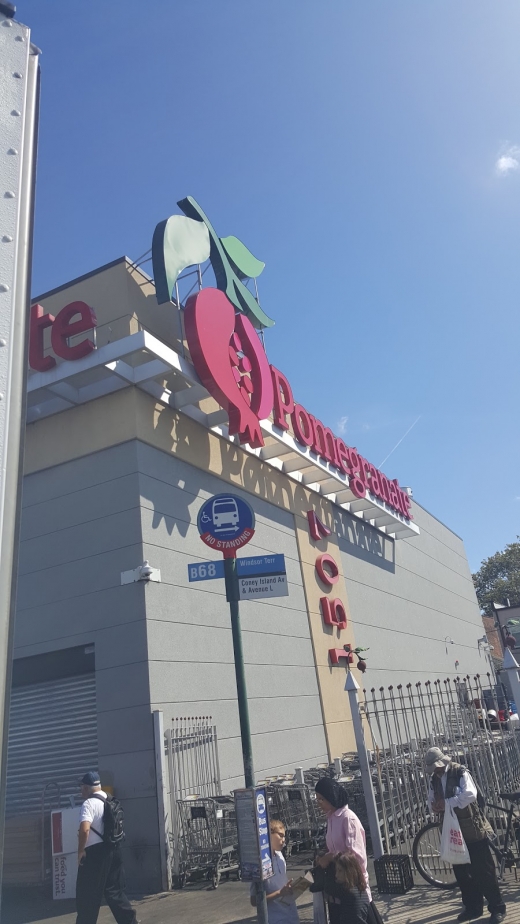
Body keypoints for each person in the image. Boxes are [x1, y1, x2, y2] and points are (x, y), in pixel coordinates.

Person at [425, 747, 506, 924]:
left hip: (472, 829)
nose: (436, 772)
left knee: (484, 871)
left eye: (437, 768)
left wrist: (446, 803)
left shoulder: (459, 771)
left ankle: (497, 907)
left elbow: (470, 794)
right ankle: (473, 908)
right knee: (463, 874)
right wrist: (435, 805)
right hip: (453, 832)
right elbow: (430, 800)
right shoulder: (434, 780)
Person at [314, 778, 383, 924]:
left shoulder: (348, 818)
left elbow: (356, 856)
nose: (319, 803)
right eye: (317, 799)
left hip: (353, 886)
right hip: (338, 884)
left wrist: (330, 857)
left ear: (331, 797)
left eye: (322, 799)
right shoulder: (331, 817)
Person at [76, 771, 137, 924]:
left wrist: (80, 851)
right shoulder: (109, 799)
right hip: (114, 850)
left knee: (88, 895)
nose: (80, 790)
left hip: (96, 855)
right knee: (115, 892)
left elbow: (85, 829)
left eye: (82, 786)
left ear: (87, 787)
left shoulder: (89, 804)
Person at [250, 819, 299, 923]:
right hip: (275, 919)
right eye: (280, 835)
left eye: (284, 836)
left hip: (291, 915)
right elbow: (254, 901)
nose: (283, 839)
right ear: (269, 834)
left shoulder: (280, 856)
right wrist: (279, 893)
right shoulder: (259, 863)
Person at [312, 851, 370, 924]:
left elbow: (327, 888)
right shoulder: (362, 889)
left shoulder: (347, 891)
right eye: (336, 871)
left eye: (340, 871)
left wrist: (324, 865)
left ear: (349, 872)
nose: (336, 875)